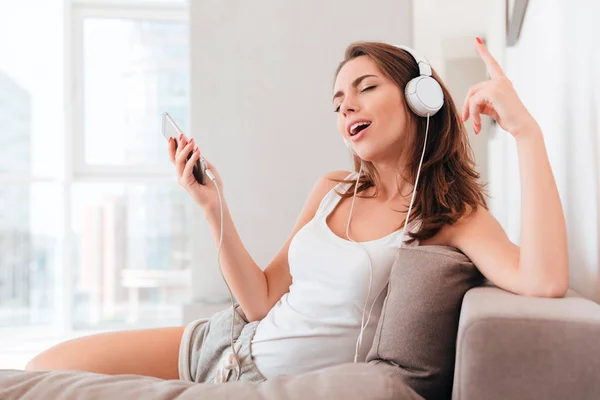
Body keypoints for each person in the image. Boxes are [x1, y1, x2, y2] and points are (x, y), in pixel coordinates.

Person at [25, 39, 568, 383]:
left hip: (258, 378)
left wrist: (525, 130)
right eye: (337, 102)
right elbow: (260, 300)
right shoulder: (332, 188)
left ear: (418, 98)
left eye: (365, 87)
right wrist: (215, 209)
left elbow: (543, 280)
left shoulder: (451, 216)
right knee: (42, 368)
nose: (346, 106)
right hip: (224, 341)